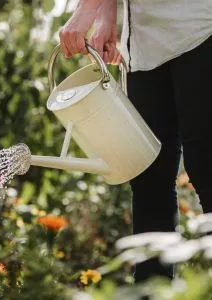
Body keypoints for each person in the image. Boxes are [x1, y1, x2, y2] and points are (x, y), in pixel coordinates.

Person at [59, 0, 212, 282]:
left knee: (207, 165)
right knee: (149, 177)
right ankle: (151, 291)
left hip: (199, 27)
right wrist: (108, 19)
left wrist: (86, 9)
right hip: (141, 44)